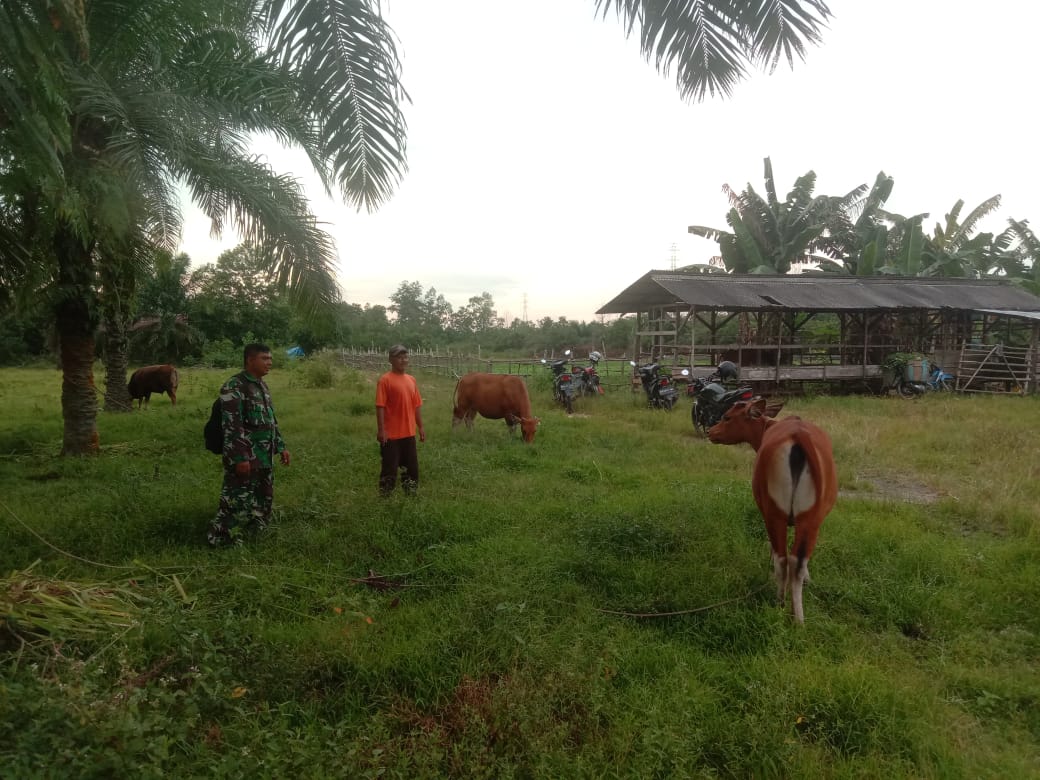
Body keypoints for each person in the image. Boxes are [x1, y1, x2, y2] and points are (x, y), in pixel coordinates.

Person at [209, 343, 291, 546]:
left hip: (264, 454)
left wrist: (281, 447)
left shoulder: (261, 385)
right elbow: (232, 426)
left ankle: (256, 531)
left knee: (263, 496)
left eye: (270, 358)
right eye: (264, 358)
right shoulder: (234, 386)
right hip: (245, 455)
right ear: (250, 360)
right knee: (236, 498)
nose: (269, 362)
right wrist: (240, 457)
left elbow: (271, 420)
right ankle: (220, 537)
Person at [375, 344, 425, 495]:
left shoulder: (411, 380)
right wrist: (382, 430)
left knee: (411, 469)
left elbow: (416, 405)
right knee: (389, 469)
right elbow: (380, 406)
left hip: (409, 434)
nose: (403, 360)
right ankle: (385, 497)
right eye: (399, 357)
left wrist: (421, 427)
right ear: (391, 360)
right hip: (391, 436)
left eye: (405, 357)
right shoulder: (385, 380)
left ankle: (410, 495)